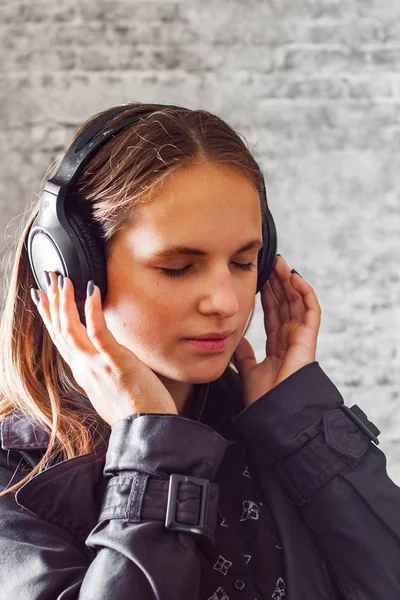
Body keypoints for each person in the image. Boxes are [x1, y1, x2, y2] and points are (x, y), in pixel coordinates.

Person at [0, 102, 398, 600]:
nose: (226, 303)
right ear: (71, 271)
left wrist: (303, 432)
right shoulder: (12, 480)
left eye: (242, 261)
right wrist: (153, 454)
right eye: (177, 267)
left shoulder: (276, 431)